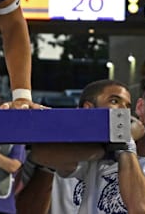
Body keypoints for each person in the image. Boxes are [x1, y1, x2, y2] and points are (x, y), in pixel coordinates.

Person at [31, 75, 145, 214]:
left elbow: (144, 208)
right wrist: (104, 149)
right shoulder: (105, 145)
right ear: (140, 107)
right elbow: (42, 155)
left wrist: (125, 142)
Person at [16, 79, 134, 214]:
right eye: (114, 101)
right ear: (88, 108)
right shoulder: (53, 147)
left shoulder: (127, 154)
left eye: (128, 106)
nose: (123, 111)